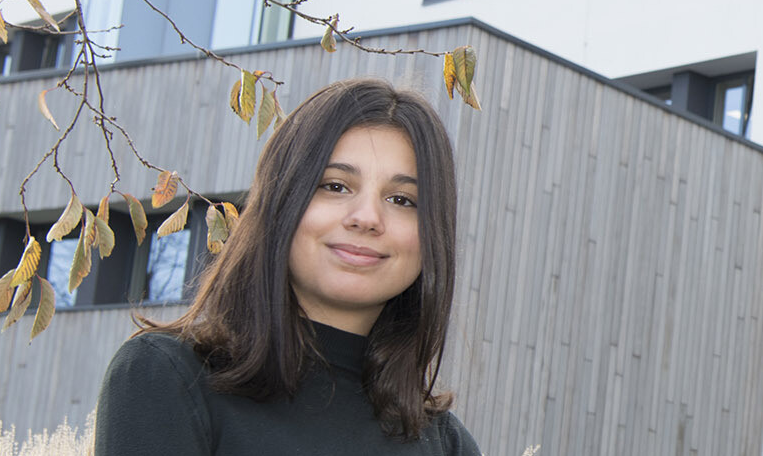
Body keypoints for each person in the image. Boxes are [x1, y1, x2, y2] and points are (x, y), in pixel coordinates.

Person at [95, 78, 480, 455]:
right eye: (335, 186)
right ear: (280, 202)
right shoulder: (168, 377)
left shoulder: (446, 443)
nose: (367, 217)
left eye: (401, 199)